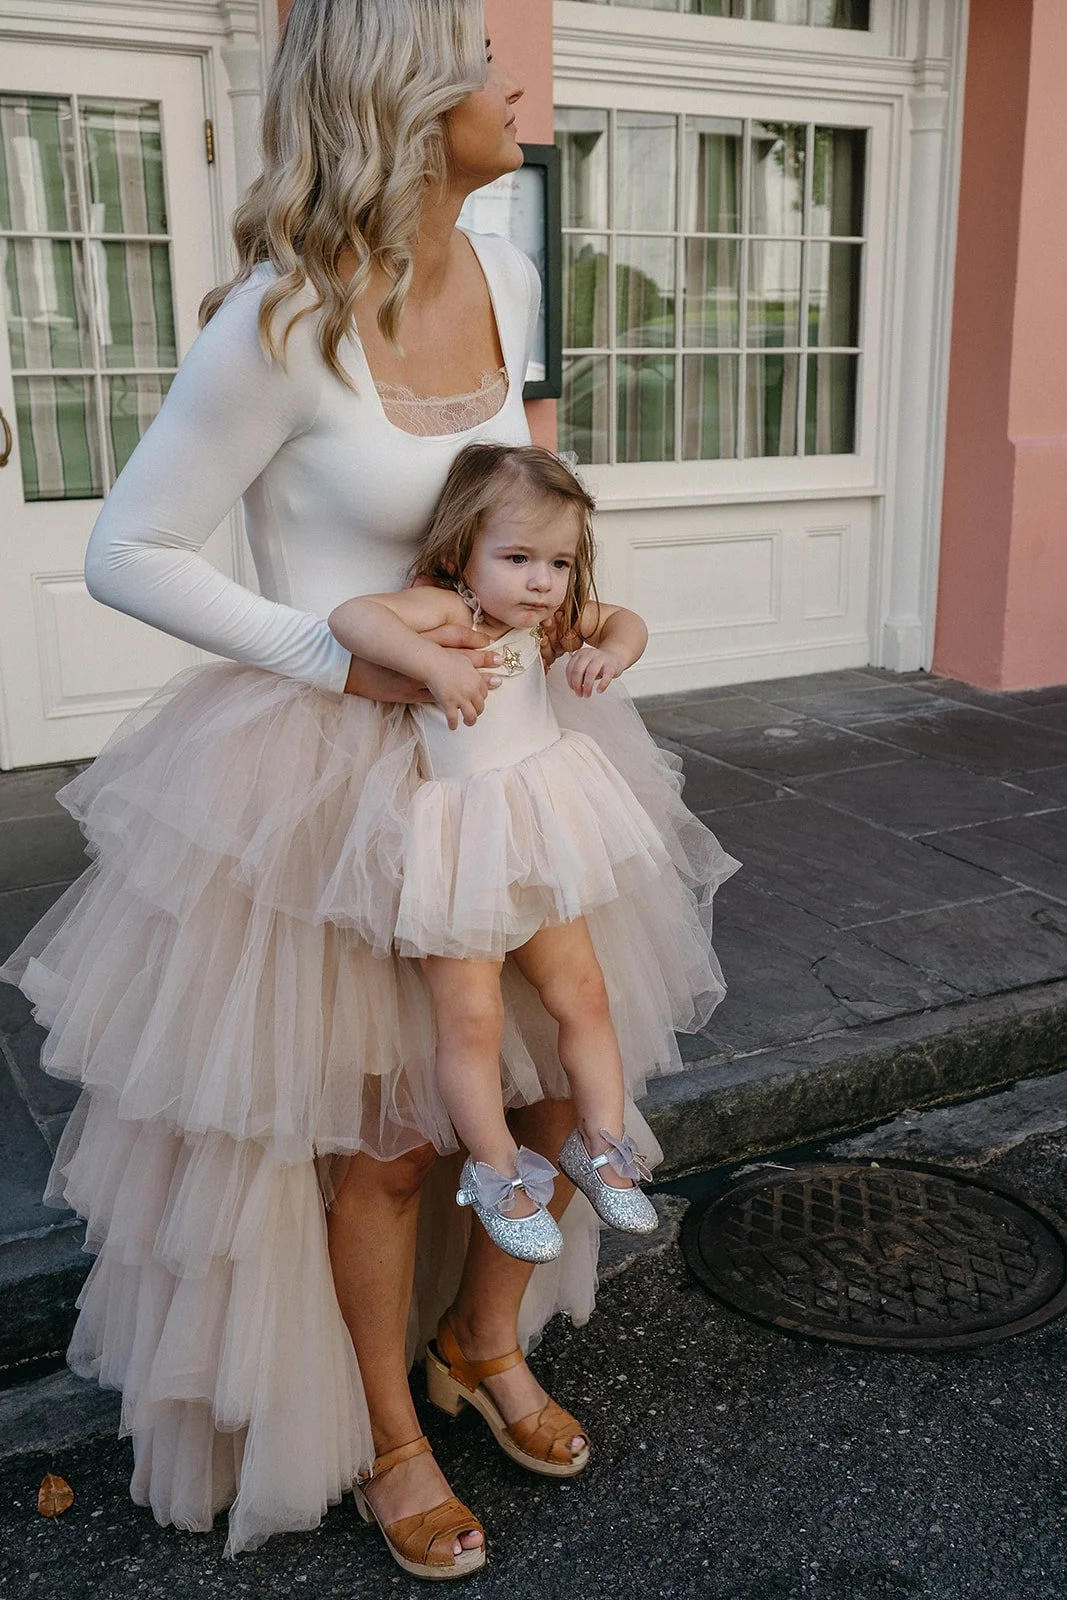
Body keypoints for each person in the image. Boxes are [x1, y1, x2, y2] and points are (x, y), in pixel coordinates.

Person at [0, 0, 737, 1582]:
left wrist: (582, 605)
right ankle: (390, 1439)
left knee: (549, 1075)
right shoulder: (278, 319)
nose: (510, 76)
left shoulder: (506, 270)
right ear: (402, 100)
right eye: (478, 55)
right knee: (392, 1137)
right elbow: (123, 551)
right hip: (334, 781)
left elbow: (512, 506)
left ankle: (480, 1343)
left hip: (517, 748)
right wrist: (340, 665)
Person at [327, 442, 728, 1266]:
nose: (541, 581)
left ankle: (603, 1145)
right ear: (457, 556)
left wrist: (608, 654)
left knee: (583, 993)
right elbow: (351, 620)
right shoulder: (447, 613)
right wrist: (431, 662)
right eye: (516, 558)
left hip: (545, 834)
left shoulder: (543, 620)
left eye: (556, 562)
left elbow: (625, 622)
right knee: (468, 1019)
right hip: (462, 851)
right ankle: (497, 1171)